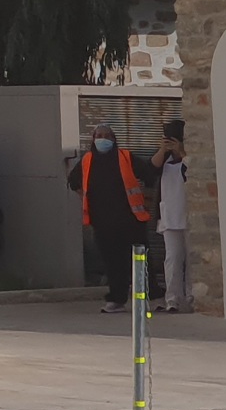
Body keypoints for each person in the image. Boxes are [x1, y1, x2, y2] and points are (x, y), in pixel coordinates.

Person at [67, 123, 154, 313]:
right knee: (113, 264)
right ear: (93, 139)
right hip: (103, 223)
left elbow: (149, 175)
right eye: (99, 136)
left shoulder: (126, 157)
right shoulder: (87, 160)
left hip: (131, 221)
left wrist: (146, 200)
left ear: (114, 139)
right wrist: (85, 198)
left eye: (107, 136)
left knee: (140, 261)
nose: (103, 139)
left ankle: (151, 297)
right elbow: (73, 182)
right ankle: (116, 300)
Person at [149, 120, 192, 313]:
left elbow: (191, 170)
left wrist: (181, 152)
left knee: (192, 261)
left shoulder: (187, 158)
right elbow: (151, 169)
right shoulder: (164, 160)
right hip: (170, 216)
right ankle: (173, 299)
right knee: (172, 259)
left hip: (189, 216)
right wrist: (163, 150)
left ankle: (191, 298)